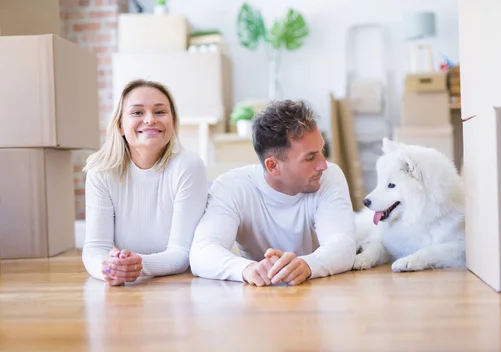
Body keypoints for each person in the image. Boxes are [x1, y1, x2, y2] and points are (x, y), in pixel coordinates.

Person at [189, 100, 356, 286]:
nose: (323, 164)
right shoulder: (232, 187)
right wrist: (247, 269)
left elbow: (343, 245)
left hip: (319, 292)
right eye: (310, 157)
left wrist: (307, 265)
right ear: (273, 166)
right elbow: (202, 252)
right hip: (259, 297)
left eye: (321, 151)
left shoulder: (329, 177)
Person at [82, 79, 208, 286]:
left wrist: (137, 266)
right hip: (126, 288)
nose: (150, 120)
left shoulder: (188, 166)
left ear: (173, 123)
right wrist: (108, 269)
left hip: (178, 288)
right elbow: (95, 248)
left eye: (160, 112)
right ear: (120, 125)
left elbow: (182, 253)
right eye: (137, 112)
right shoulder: (101, 171)